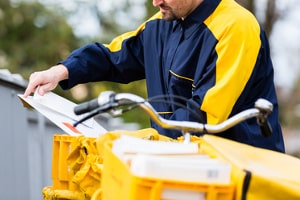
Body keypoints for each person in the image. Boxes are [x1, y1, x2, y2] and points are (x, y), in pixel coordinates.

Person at [24, 0, 285, 152]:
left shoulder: (237, 28)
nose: (155, 2)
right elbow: (114, 56)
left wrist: (133, 142)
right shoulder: (162, 22)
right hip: (182, 168)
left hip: (244, 177)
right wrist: (61, 71)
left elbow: (201, 119)